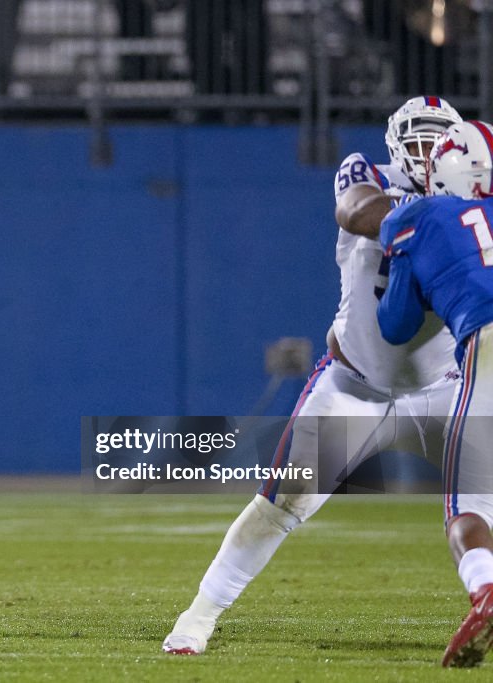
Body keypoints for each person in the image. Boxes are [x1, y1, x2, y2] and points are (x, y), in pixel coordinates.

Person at [163, 96, 463, 655]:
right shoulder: (369, 172)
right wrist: (435, 214)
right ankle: (199, 614)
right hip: (356, 383)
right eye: (417, 140)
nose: (427, 152)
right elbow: (356, 211)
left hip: (446, 387)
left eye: (438, 139)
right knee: (285, 502)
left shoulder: (477, 193)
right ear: (398, 144)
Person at [377, 119, 493, 668]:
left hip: (488, 343)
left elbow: (396, 326)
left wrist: (415, 267)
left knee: (467, 508)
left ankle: (486, 590)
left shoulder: (419, 217)